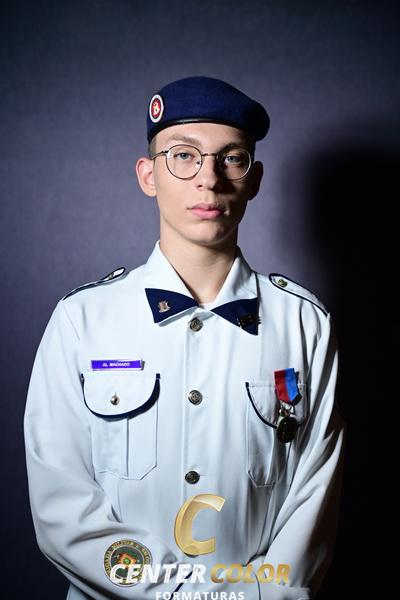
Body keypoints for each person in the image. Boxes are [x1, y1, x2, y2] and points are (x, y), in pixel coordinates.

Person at [24, 76, 345, 600]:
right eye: (183, 156)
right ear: (147, 175)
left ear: (254, 179)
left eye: (232, 158)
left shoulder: (305, 325)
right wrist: (172, 594)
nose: (209, 180)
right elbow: (64, 511)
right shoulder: (81, 320)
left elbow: (314, 498)